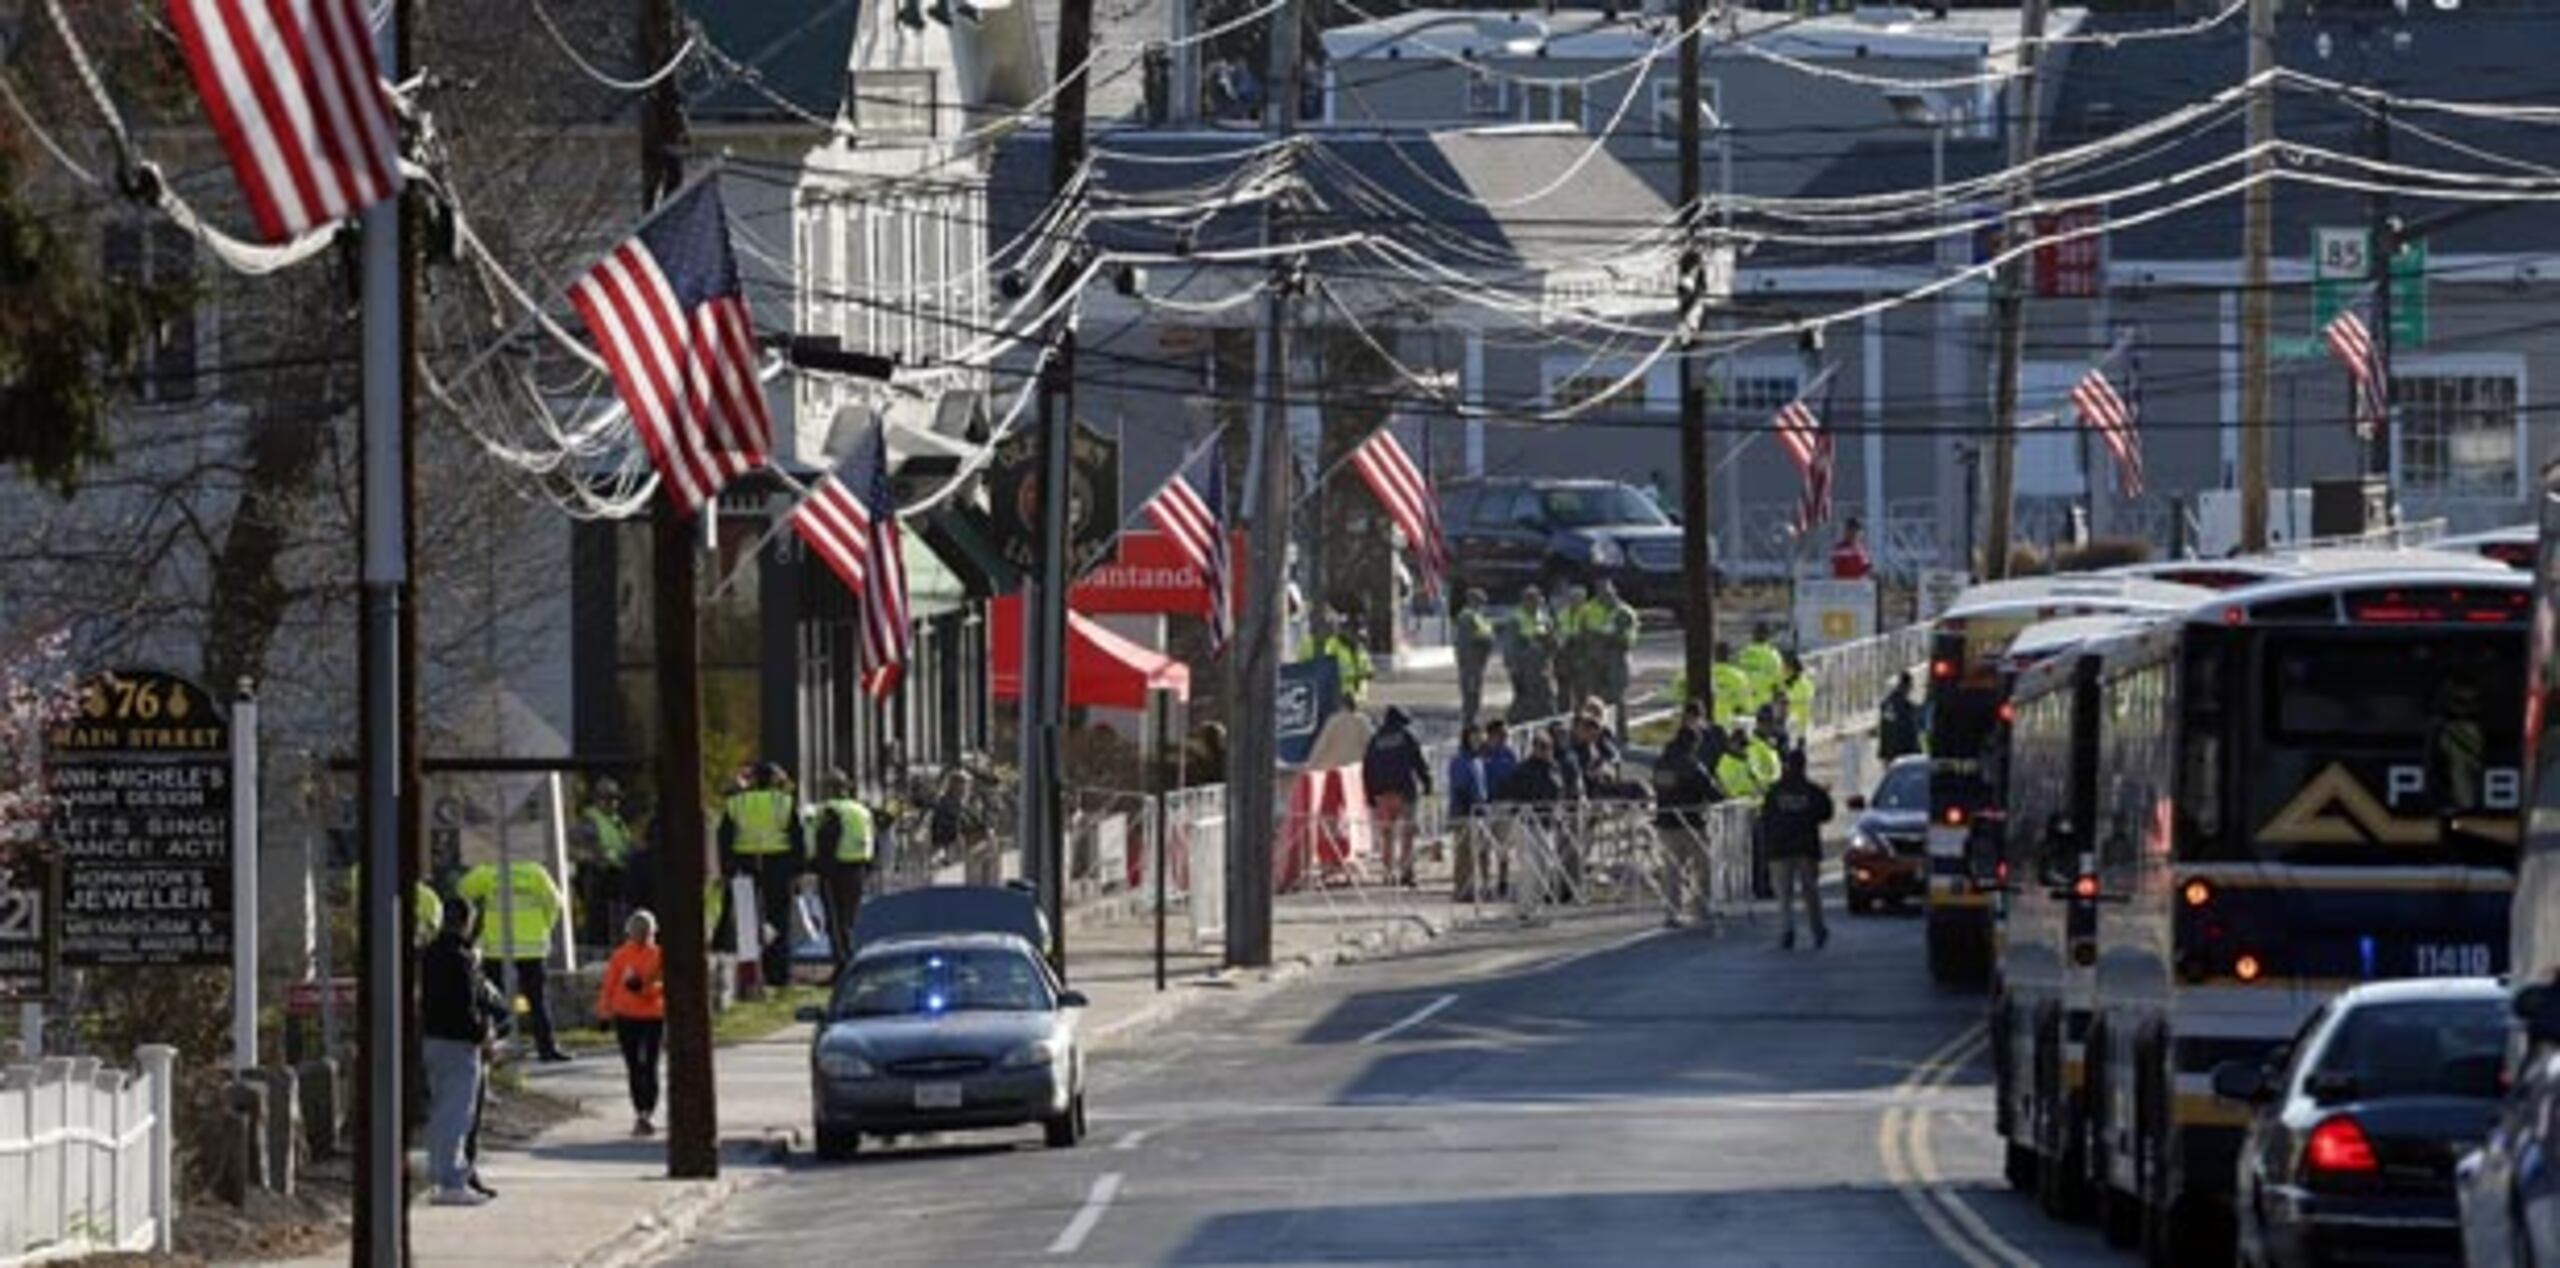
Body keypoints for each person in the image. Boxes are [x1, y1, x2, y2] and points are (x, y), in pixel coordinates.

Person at [420, 899, 507, 1205]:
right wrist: (482, 1037)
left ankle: (440, 1176)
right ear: (468, 922)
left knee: (441, 1112)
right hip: (458, 1043)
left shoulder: (429, 954)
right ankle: (451, 1182)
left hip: (432, 1039)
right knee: (456, 1115)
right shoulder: (461, 958)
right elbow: (465, 1005)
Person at [455, 853, 571, 1063]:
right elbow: (555, 904)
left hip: (498, 947)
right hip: (531, 947)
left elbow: (462, 889)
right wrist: (544, 927)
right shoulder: (536, 873)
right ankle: (547, 1049)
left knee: (492, 1001)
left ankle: (494, 1049)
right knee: (537, 1000)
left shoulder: (491, 872)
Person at [719, 762, 805, 989]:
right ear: (775, 780)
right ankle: (778, 975)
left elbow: (725, 838)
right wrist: (797, 871)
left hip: (744, 865)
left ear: (754, 780)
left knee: (747, 923)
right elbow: (797, 838)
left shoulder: (737, 803)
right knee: (779, 921)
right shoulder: (785, 803)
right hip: (778, 866)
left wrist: (727, 870)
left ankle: (750, 979)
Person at [595, 910, 667, 1137]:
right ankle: (640, 1112)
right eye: (636, 932)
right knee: (634, 1066)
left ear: (652, 932)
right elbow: (609, 985)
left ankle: (648, 1111)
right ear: (629, 932)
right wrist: (604, 1014)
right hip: (625, 1016)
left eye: (645, 932)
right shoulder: (620, 956)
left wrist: (644, 988)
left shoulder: (659, 955)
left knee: (650, 1065)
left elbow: (664, 985)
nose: (640, 936)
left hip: (653, 1016)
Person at [1760, 749, 1836, 950]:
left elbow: (1765, 818)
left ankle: (1787, 931)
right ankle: (1817, 930)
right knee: (1811, 893)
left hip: (1779, 849)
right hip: (1806, 847)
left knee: (1784, 895)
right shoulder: (1812, 791)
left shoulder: (1774, 791)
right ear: (1804, 765)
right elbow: (1827, 813)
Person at [808, 770, 875, 961]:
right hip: (858, 869)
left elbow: (827, 841)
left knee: (836, 922)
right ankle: (849, 962)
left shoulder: (831, 810)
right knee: (849, 920)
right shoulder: (861, 810)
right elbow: (872, 842)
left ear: (829, 788)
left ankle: (842, 965)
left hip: (836, 871)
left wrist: (820, 868)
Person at [1362, 706, 1432, 887]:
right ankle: (1407, 872)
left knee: (1387, 836)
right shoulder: (1406, 738)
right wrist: (1427, 783)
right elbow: (1418, 762)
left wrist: (1369, 794)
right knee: (1407, 835)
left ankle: (1387, 874)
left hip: (1382, 794)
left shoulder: (1375, 740)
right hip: (1405, 792)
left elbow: (1367, 769)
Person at [570, 778, 638, 948]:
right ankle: (597, 951)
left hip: (618, 875)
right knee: (598, 921)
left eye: (615, 799)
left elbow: (626, 845)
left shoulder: (617, 821)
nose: (613, 803)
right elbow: (575, 849)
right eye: (608, 799)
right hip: (597, 876)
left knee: (618, 918)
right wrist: (599, 858)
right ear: (598, 800)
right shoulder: (590, 821)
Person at [1446, 724, 1490, 900]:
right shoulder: (1459, 760)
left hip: (1479, 811)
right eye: (1474, 737)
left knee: (1481, 852)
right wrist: (1469, 804)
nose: (1478, 740)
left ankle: (1478, 887)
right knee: (1464, 854)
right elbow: (1459, 786)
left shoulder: (1478, 760)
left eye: (1480, 737)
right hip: (1463, 812)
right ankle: (1462, 889)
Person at [1589, 579, 1640, 729]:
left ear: (1613, 592)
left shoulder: (1624, 612)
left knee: (1616, 698)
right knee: (1597, 700)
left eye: (1606, 593)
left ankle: (1620, 733)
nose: (1602, 597)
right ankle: (1601, 731)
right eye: (1599, 593)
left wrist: (1606, 637)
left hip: (1617, 662)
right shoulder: (1594, 610)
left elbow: (1627, 640)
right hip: (1597, 661)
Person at [1503, 586, 1559, 722]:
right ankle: (1515, 724)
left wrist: (1550, 642)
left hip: (1542, 667)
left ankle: (1549, 727)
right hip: (1524, 668)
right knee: (1524, 700)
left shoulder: (1544, 619)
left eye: (1536, 600)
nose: (1533, 603)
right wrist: (1513, 668)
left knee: (1547, 699)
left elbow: (1553, 643)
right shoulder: (1516, 619)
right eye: (1529, 600)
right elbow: (1509, 647)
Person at [930, 769, 995, 884]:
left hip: (966, 848)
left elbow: (978, 824)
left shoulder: (963, 805)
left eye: (969, 785)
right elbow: (952, 828)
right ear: (956, 787)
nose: (968, 789)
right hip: (954, 848)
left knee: (991, 842)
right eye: (966, 785)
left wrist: (986, 830)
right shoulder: (947, 804)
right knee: (988, 845)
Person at [1453, 588, 1498, 728]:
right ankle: (1469, 726)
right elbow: (1468, 642)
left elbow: (1488, 635)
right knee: (1471, 698)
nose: (1481, 604)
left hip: (1478, 664)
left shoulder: (1479, 617)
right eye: (1479, 601)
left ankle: (1472, 723)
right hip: (1471, 664)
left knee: (1475, 697)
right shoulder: (1467, 616)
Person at [1316, 614, 1373, 710]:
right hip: (1340, 696)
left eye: (1356, 629)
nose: (1353, 633)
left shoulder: (1359, 647)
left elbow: (1367, 668)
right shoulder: (1333, 644)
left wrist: (1368, 672)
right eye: (1349, 629)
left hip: (1358, 698)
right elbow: (1325, 666)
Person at [1553, 584, 1592, 718]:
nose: (1574, 600)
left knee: (1582, 693)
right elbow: (1557, 632)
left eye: (1578, 598)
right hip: (1564, 655)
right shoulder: (1562, 613)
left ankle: (1581, 719)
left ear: (1584, 599)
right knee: (1563, 692)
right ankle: (1563, 719)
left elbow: (1590, 636)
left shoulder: (1589, 613)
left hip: (1581, 656)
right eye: (1572, 597)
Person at [1710, 642, 1757, 728]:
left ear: (1714, 656)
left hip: (1708, 725)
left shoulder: (1706, 674)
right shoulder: (1740, 677)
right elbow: (1745, 706)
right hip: (1730, 725)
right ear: (1729, 656)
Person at [1878, 671, 1922, 761]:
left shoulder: (1889, 703)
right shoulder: (1904, 706)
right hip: (1902, 752)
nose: (1910, 689)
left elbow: (1886, 726)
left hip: (1892, 752)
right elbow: (1904, 728)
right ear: (1907, 686)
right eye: (1910, 686)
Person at [1830, 516, 1875, 580]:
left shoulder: (1862, 549)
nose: (1854, 534)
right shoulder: (1839, 548)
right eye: (1851, 530)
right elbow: (1837, 568)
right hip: (1844, 585)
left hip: (1860, 585)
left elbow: (1867, 567)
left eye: (1856, 531)